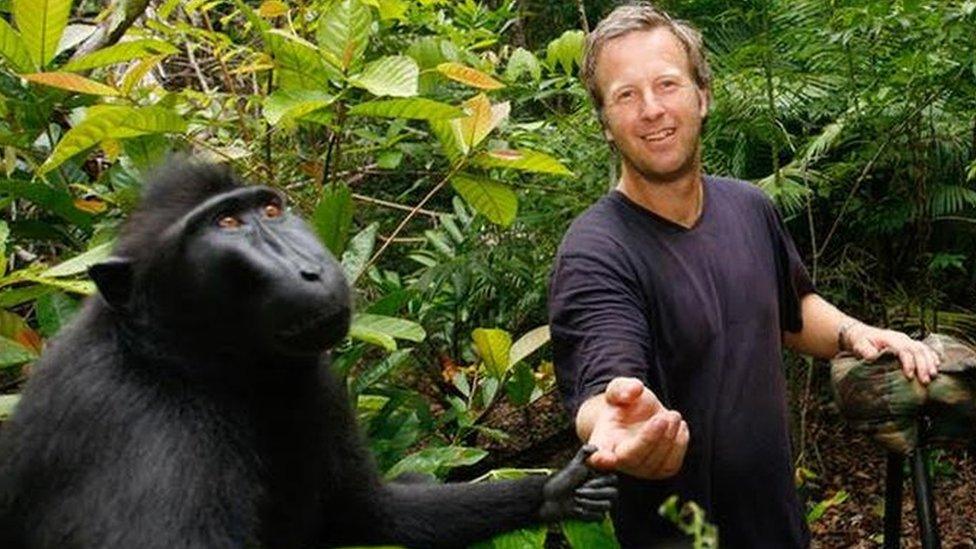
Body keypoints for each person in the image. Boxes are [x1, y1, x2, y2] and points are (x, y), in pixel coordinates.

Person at [547, 4, 941, 547]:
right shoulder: (596, 252)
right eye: (626, 95)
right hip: (683, 537)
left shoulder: (748, 207)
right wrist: (614, 425)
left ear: (702, 95)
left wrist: (855, 333)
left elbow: (791, 310)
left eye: (667, 84)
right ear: (606, 123)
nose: (652, 109)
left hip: (778, 525)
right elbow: (603, 382)